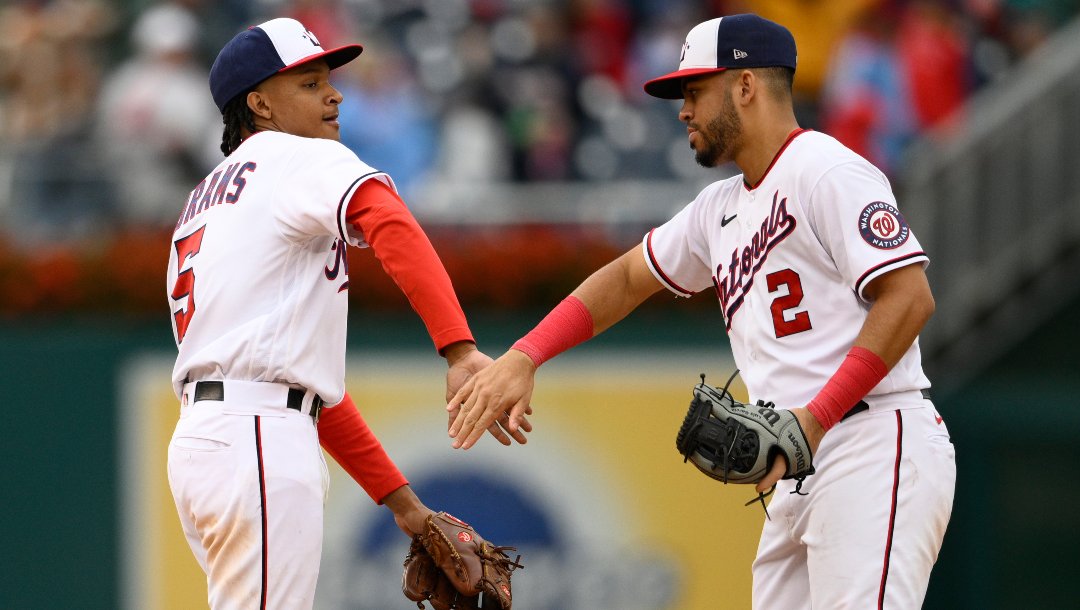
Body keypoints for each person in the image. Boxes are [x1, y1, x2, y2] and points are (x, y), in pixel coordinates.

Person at [447, 14, 955, 609]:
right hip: (798, 465)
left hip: (871, 441)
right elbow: (627, 278)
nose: (682, 110)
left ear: (745, 86)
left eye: (694, 92)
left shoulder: (826, 170)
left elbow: (909, 295)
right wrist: (527, 355)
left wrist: (813, 420)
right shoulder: (719, 208)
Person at [164, 18, 527, 609]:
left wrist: (404, 505)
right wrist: (459, 349)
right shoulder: (293, 157)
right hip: (256, 440)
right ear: (260, 104)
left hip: (213, 440)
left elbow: (301, 384)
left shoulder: (208, 195)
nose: (334, 94)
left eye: (328, 81)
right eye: (308, 84)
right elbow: (390, 220)